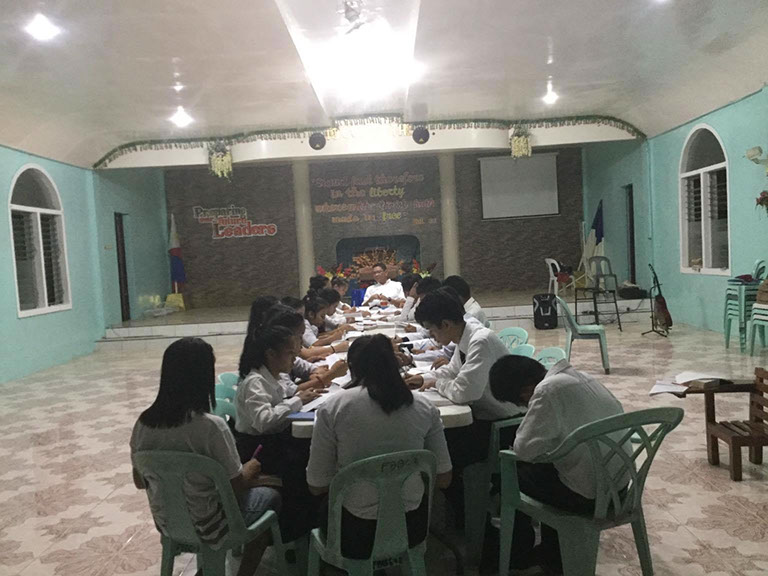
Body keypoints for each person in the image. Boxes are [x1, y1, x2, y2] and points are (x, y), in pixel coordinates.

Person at [130, 338, 281, 576]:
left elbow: (140, 481)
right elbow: (236, 485)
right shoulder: (212, 427)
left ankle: (207, 568)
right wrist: (251, 467)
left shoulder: (143, 424)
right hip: (212, 525)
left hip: (168, 523)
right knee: (272, 496)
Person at [306, 334, 453, 559]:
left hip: (354, 532)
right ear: (395, 364)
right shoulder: (424, 407)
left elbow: (317, 485)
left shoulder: (333, 408)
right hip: (412, 528)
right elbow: (444, 478)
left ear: (353, 368)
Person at [489, 355, 630, 574]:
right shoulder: (584, 378)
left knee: (510, 475)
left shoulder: (546, 391)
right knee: (550, 470)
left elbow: (523, 450)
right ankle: (551, 554)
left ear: (525, 391)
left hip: (587, 497)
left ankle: (517, 555)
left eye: (521, 404)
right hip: (620, 490)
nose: (525, 407)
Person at [404, 288, 523, 525]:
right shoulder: (464, 337)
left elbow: (464, 392)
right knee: (438, 444)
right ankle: (461, 511)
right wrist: (424, 378)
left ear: (446, 324)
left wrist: (436, 383)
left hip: (505, 425)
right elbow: (452, 372)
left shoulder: (480, 341)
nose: (432, 336)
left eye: (432, 330)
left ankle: (472, 519)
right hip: (485, 416)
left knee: (441, 455)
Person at [235, 326, 325, 541]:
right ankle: (294, 531)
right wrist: (297, 401)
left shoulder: (274, 377)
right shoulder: (255, 382)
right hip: (257, 450)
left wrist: (300, 398)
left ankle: (309, 524)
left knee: (315, 455)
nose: (294, 359)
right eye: (290, 353)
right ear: (271, 354)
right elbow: (264, 421)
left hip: (272, 441)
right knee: (306, 469)